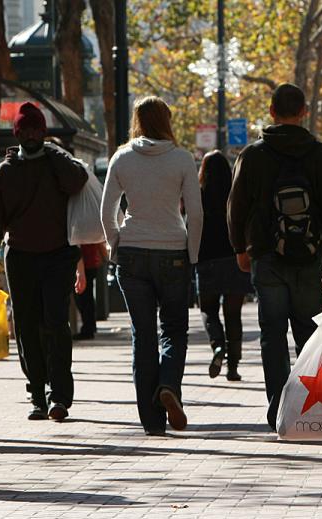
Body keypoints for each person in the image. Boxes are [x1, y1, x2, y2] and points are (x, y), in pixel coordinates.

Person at [228, 83, 322, 431]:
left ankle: (278, 407)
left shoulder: (254, 155)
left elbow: (236, 207)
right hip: (309, 258)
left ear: (272, 112)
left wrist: (239, 248)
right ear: (303, 112)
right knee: (308, 330)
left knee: (272, 332)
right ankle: (309, 406)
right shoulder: (320, 154)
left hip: (266, 256)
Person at [0, 102, 88, 421]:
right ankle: (37, 394)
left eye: (37, 130)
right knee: (26, 327)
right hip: (21, 257)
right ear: (17, 133)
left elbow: (78, 179)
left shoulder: (57, 163)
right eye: (25, 131)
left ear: (44, 132)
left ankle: (59, 396)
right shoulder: (3, 174)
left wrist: (54, 152)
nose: (31, 136)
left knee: (55, 323)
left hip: (58, 255)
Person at [101, 96, 203, 436]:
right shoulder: (182, 159)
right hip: (172, 250)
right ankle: (169, 385)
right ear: (166, 121)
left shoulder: (122, 158)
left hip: (132, 252)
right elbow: (196, 213)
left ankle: (151, 420)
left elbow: (107, 211)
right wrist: (192, 254)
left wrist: (115, 242)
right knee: (173, 329)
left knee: (142, 337)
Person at [196, 150, 252, 382]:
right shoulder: (235, 195)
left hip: (206, 259)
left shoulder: (198, 195)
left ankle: (218, 346)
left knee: (208, 310)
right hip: (234, 259)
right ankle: (233, 367)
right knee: (233, 314)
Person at [73, 243, 107, 340]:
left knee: (83, 298)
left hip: (86, 261)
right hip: (91, 260)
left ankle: (88, 328)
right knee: (87, 298)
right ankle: (90, 326)